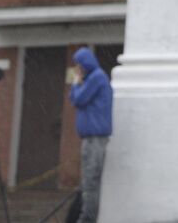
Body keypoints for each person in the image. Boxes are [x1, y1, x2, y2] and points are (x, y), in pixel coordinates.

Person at [70, 47, 113, 223]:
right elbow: (75, 99)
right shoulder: (93, 78)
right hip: (90, 138)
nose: (77, 69)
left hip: (95, 139)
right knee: (88, 182)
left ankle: (88, 218)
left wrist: (75, 82)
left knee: (91, 182)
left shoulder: (97, 78)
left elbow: (78, 99)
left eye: (78, 65)